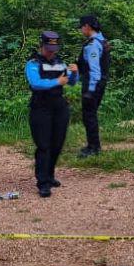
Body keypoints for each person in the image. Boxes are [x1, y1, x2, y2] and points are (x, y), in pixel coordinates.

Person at [26, 30, 77, 197]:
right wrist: (57, 81)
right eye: (48, 48)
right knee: (43, 145)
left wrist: (75, 72)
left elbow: (71, 82)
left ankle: (50, 175)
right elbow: (36, 84)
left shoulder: (60, 63)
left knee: (57, 143)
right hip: (41, 107)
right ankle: (43, 183)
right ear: (42, 45)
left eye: (54, 48)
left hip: (59, 106)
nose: (51, 51)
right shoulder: (33, 63)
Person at [76, 14, 110, 158]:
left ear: (87, 27)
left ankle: (93, 147)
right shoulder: (102, 40)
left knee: (89, 115)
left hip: (93, 83)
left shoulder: (93, 45)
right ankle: (93, 145)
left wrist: (90, 90)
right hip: (100, 82)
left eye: (82, 27)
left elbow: (95, 70)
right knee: (91, 115)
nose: (81, 30)